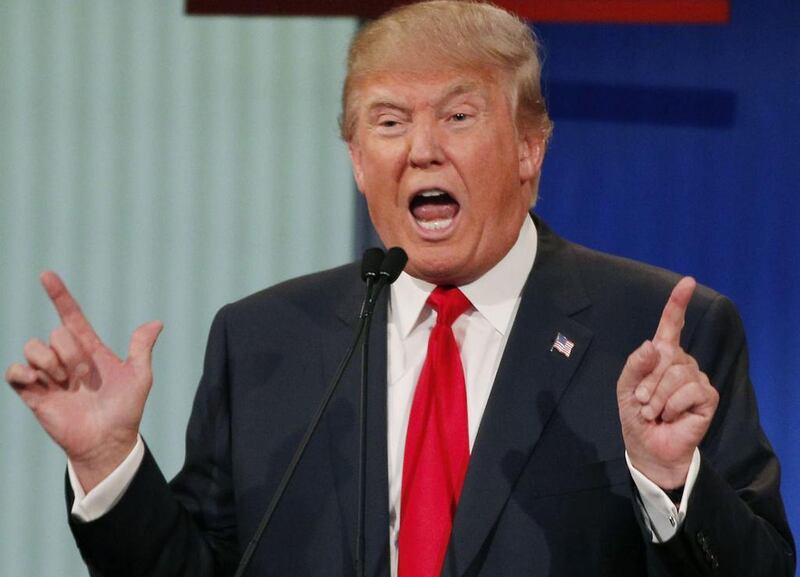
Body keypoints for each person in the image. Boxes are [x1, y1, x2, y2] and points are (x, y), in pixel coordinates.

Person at [5, 1, 795, 576]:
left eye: (458, 116)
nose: (420, 149)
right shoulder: (264, 340)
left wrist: (668, 481)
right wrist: (110, 461)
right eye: (388, 122)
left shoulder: (652, 334)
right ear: (356, 160)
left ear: (530, 148)